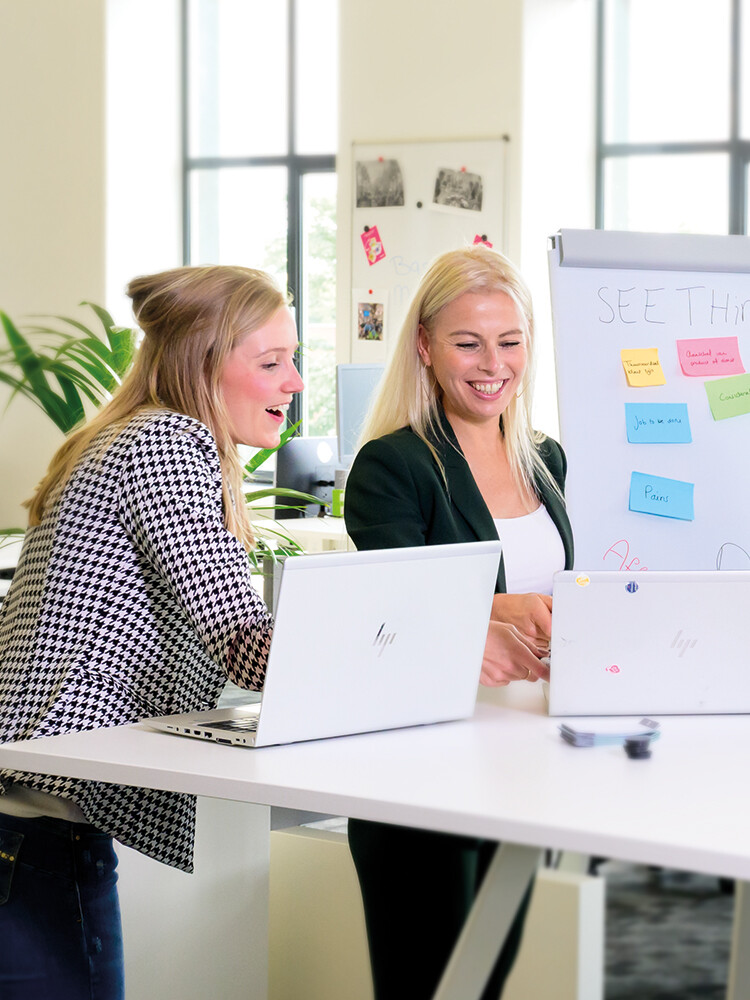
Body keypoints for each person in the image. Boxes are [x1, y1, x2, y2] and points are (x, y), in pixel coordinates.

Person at [0, 265, 304, 1000]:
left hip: (29, 823)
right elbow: (242, 635)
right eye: (270, 363)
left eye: (292, 358)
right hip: (34, 834)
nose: (293, 382)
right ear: (204, 366)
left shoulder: (121, 436)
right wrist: (403, 659)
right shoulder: (166, 441)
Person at [344, 244, 574, 1000]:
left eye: (509, 342)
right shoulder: (394, 467)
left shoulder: (548, 461)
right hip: (426, 768)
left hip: (525, 759)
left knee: (487, 979)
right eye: (468, 342)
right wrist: (503, 607)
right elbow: (397, 612)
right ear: (426, 348)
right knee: (430, 983)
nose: (492, 363)